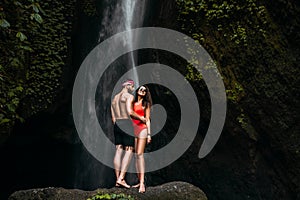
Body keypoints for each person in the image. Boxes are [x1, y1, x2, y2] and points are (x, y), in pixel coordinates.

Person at [111, 79, 146, 188]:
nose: (133, 89)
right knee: (129, 150)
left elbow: (113, 118)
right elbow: (130, 112)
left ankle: (118, 180)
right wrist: (141, 118)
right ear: (128, 85)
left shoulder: (114, 99)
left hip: (117, 124)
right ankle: (121, 178)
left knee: (118, 150)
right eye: (132, 86)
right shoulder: (128, 97)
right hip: (126, 122)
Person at [131, 85, 152, 193]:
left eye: (145, 90)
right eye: (141, 89)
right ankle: (139, 181)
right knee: (135, 156)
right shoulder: (132, 103)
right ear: (138, 91)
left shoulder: (146, 104)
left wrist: (149, 134)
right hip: (133, 130)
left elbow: (147, 119)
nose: (143, 91)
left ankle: (142, 183)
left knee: (140, 154)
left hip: (142, 129)